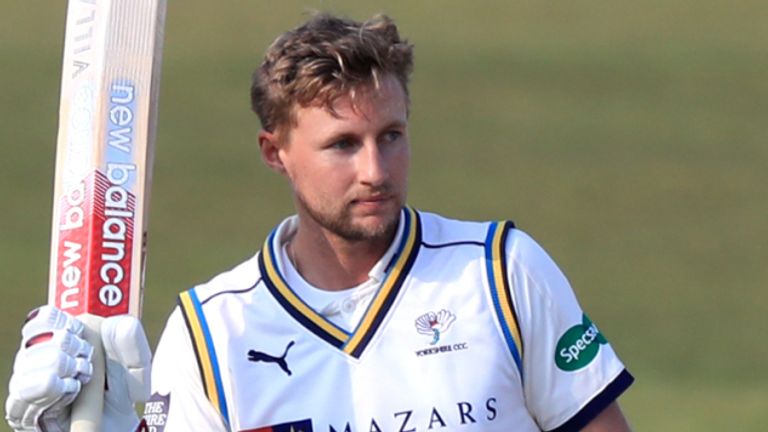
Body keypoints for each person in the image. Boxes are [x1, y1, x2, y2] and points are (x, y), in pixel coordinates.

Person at [6, 13, 634, 432]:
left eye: (391, 136)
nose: (375, 170)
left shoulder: (501, 271)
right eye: (342, 144)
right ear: (275, 152)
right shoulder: (212, 332)